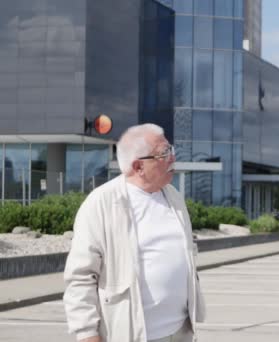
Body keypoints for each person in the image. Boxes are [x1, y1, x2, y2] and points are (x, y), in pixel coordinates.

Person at [63, 124, 205, 342]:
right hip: (131, 334)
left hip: (180, 332)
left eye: (171, 150)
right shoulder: (101, 203)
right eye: (164, 153)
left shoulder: (174, 197)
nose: (172, 158)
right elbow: (80, 276)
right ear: (138, 166)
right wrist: (87, 334)